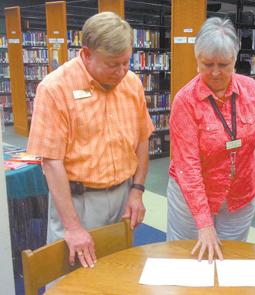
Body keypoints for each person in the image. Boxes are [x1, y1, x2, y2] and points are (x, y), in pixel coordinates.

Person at [27, 12, 154, 268]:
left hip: (123, 196)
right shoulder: (54, 89)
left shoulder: (132, 83)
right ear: (86, 54)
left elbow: (143, 138)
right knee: (72, 279)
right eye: (112, 64)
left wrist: (137, 191)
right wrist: (72, 226)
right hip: (77, 202)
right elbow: (52, 162)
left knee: (117, 273)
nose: (121, 72)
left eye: (126, 62)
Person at [167, 17, 255, 262]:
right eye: (207, 63)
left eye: (224, 64)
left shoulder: (252, 90)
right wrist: (203, 223)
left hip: (239, 195)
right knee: (189, 261)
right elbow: (187, 166)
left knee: (230, 262)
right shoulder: (185, 101)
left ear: (235, 58)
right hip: (192, 201)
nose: (215, 72)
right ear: (196, 57)